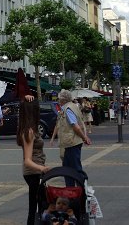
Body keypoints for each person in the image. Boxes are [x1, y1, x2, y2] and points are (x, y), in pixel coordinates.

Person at [17, 97, 50, 225]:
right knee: (35, 207)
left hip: (35, 171)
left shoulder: (29, 128)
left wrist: (26, 96)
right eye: (37, 110)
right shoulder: (29, 131)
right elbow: (27, 160)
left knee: (40, 205)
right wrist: (42, 168)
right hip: (33, 172)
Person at [54, 89, 91, 186]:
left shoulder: (68, 109)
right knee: (67, 167)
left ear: (63, 99)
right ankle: (70, 188)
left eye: (59, 99)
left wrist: (84, 138)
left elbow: (76, 126)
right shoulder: (73, 106)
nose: (58, 101)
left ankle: (83, 188)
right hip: (70, 142)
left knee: (75, 167)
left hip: (72, 142)